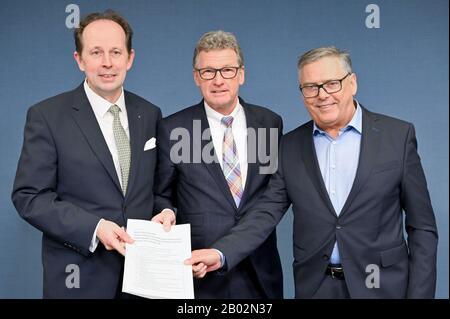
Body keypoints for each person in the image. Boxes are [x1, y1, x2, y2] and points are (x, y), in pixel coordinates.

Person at [186, 46, 438, 299]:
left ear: (352, 83)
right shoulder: (289, 146)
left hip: (384, 287)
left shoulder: (398, 136)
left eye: (331, 84)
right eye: (311, 87)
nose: (322, 95)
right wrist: (220, 253)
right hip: (316, 288)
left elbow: (423, 228)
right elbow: (265, 212)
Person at [11, 10, 161, 298]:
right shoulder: (47, 116)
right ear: (79, 60)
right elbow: (29, 196)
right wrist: (95, 227)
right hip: (79, 279)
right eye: (96, 52)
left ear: (130, 58)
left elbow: (157, 188)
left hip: (144, 279)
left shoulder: (150, 114)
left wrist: (166, 211)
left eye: (115, 52)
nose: (107, 62)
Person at [152, 30, 283, 298]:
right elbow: (160, 195)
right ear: (196, 77)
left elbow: (274, 194)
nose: (218, 80)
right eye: (208, 71)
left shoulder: (270, 123)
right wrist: (164, 211)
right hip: (201, 273)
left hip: (260, 270)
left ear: (241, 75)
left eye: (227, 70)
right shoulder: (173, 128)